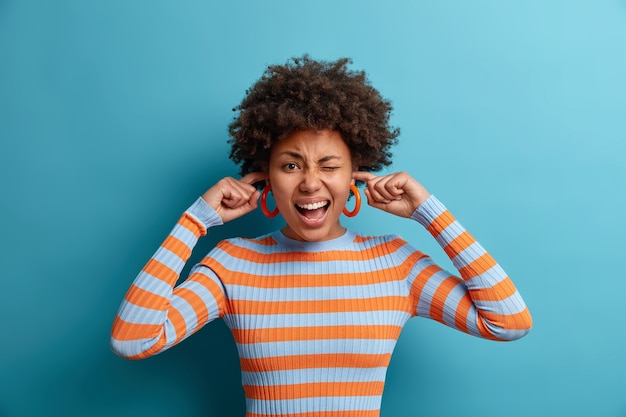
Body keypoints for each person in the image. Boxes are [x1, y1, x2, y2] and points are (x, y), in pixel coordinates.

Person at [110, 55, 532, 417]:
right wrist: (195, 221)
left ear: (355, 176)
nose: (310, 183)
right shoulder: (231, 263)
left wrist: (429, 213)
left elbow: (508, 322)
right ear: (265, 179)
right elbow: (133, 340)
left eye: (329, 165)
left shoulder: (396, 264)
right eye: (291, 166)